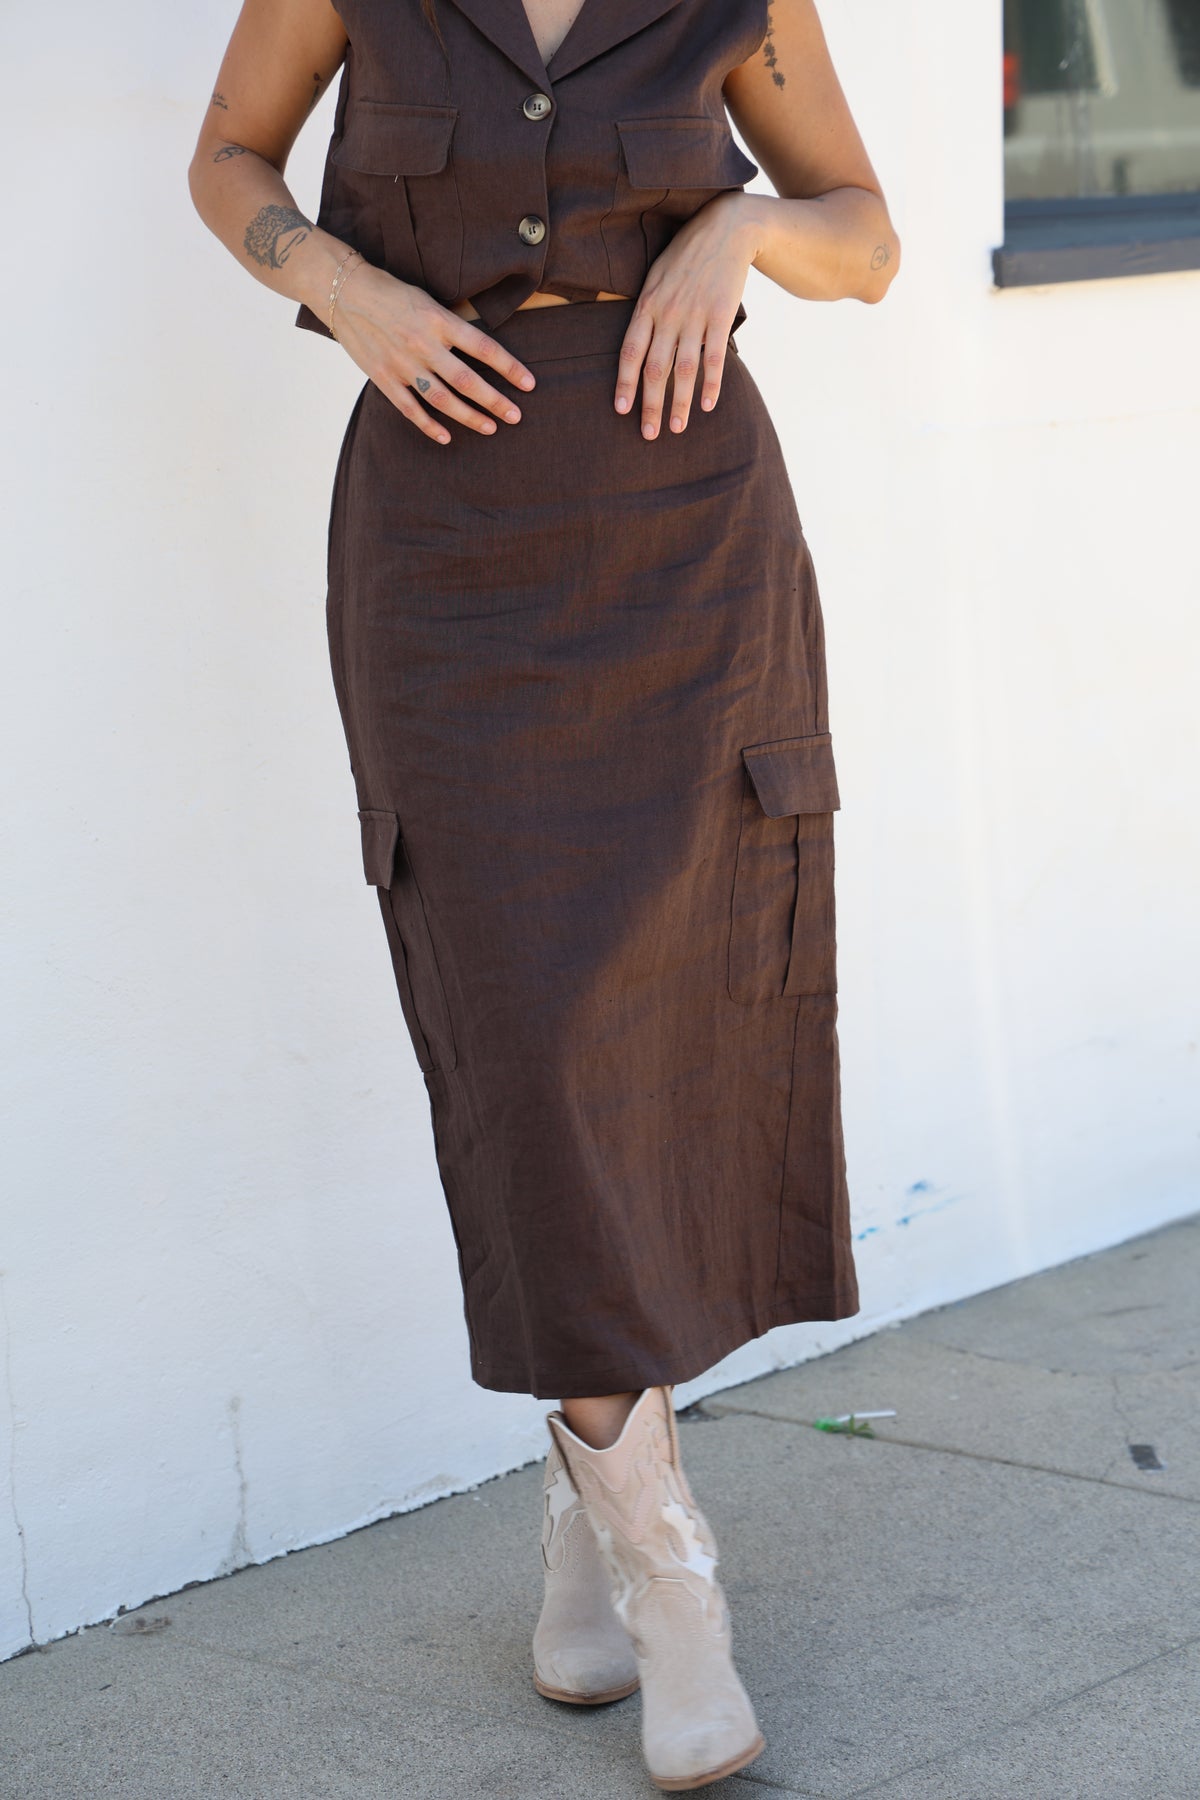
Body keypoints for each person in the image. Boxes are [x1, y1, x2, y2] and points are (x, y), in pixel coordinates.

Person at [189, 0, 900, 1788]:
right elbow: (227, 158)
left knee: (667, 1020)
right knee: (523, 1029)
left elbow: (868, 240)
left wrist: (741, 226)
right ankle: (672, 1576)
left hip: (691, 536)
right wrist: (340, 287)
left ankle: (598, 1524)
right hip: (446, 539)